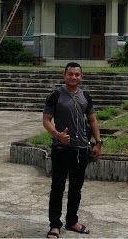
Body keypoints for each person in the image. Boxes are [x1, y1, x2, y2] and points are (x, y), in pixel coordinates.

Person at [43, 62, 102, 238]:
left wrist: (98, 143)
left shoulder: (85, 97)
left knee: (76, 188)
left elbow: (93, 121)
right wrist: (57, 135)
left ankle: (72, 221)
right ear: (64, 75)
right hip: (62, 149)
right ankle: (55, 225)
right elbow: (46, 120)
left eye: (77, 74)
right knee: (58, 187)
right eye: (70, 74)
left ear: (81, 76)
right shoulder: (55, 96)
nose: (74, 77)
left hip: (81, 150)